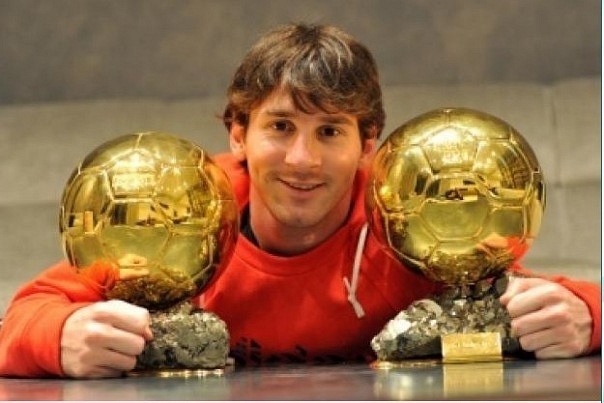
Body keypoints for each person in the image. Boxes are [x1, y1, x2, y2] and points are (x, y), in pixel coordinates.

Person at [0, 23, 600, 379]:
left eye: (330, 131)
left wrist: (583, 317)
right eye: (281, 127)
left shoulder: (410, 219)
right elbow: (22, 318)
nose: (302, 160)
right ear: (238, 132)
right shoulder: (178, 210)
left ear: (369, 143)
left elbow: (549, 300)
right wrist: (61, 336)